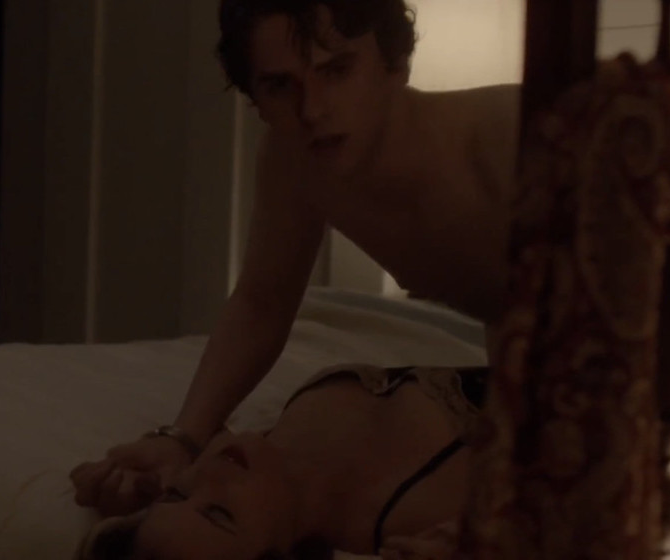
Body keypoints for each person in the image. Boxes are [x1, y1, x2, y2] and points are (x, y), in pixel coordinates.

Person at [70, 0, 520, 526]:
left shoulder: (505, 139)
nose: (313, 110)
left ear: (396, 64)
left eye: (337, 70)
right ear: (255, 97)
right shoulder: (296, 158)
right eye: (281, 85)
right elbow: (263, 302)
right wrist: (184, 438)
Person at [71, 364, 490, 559]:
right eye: (220, 514)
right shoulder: (423, 513)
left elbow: (262, 300)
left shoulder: (264, 460)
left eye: (177, 495)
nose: (209, 475)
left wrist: (176, 442)